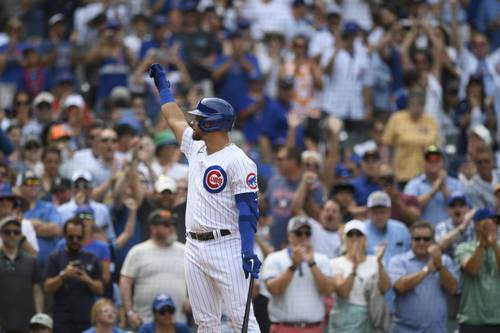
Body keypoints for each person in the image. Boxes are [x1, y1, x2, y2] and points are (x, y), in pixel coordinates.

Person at [149, 63, 261, 332]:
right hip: (194, 245)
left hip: (228, 245)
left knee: (241, 320)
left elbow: (248, 209)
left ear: (213, 124)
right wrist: (163, 86)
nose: (193, 121)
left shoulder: (239, 160)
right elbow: (174, 118)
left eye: (199, 118)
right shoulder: (196, 147)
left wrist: (247, 247)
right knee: (205, 322)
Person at [261, 216, 334, 333]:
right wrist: (293, 265)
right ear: (289, 236)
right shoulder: (274, 258)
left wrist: (312, 263)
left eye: (307, 233)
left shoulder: (322, 259)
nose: (303, 237)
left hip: (313, 328)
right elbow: (274, 290)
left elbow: (329, 290)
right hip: (283, 328)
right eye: (299, 233)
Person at [120, 209, 187, 329]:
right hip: (145, 322)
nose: (172, 228)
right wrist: (129, 312)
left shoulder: (185, 251)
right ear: (153, 228)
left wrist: (194, 301)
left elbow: (198, 279)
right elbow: (125, 282)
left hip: (177, 323)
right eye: (166, 225)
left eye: (174, 224)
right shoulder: (138, 251)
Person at [389, 222, 459, 333]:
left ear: (432, 241)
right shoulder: (398, 261)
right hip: (405, 330)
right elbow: (400, 286)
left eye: (426, 239)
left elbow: (453, 289)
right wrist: (427, 270)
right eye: (417, 239)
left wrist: (440, 266)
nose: (421, 243)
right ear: (410, 240)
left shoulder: (444, 260)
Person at [329, 220, 390, 333]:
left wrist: (380, 263)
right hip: (344, 322)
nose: (354, 238)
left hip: (371, 321)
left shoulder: (375, 261)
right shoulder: (335, 263)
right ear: (345, 239)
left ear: (365, 239)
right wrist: (354, 267)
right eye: (350, 234)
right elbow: (343, 292)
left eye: (358, 234)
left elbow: (385, 289)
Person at [44, 218, 104, 333]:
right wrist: (63, 275)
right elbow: (47, 287)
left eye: (79, 237)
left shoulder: (92, 258)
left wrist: (86, 279)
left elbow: (100, 289)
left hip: (86, 318)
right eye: (71, 237)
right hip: (62, 319)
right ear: (64, 236)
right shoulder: (55, 258)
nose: (75, 240)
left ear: (84, 236)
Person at [454, 208, 500, 332]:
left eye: (496, 223)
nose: (493, 226)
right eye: (488, 223)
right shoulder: (463, 248)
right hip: (472, 321)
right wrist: (482, 244)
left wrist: (494, 245)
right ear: (477, 226)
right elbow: (472, 269)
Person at [0, 215, 44, 333]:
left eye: (16, 232)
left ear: (21, 235)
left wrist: (39, 316)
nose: (12, 235)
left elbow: (37, 289)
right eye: (7, 232)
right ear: (1, 234)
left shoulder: (31, 260)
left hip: (26, 322)